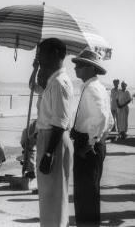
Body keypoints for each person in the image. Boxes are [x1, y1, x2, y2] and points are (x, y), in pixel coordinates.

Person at [71, 48, 113, 227]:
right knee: (89, 195)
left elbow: (102, 117)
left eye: (79, 65)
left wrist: (90, 143)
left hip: (88, 146)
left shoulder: (92, 89)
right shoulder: (98, 87)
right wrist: (99, 139)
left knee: (85, 195)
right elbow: (109, 121)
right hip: (94, 144)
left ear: (89, 68)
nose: (75, 68)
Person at [35, 38, 74, 227]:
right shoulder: (53, 81)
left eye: (41, 53)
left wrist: (49, 153)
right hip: (49, 138)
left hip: (54, 140)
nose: (38, 57)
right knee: (48, 196)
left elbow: (60, 122)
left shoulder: (59, 82)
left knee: (55, 197)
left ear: (56, 54)